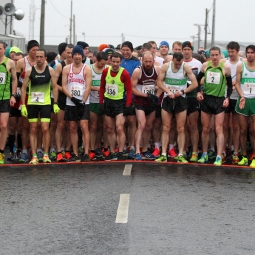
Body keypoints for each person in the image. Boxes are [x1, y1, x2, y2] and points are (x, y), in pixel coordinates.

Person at [156, 52, 198, 163]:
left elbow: (195, 83)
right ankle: (164, 153)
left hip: (181, 99)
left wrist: (183, 91)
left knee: (180, 128)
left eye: (180, 64)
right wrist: (167, 91)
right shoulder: (166, 66)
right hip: (168, 99)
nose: (178, 66)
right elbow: (159, 82)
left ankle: (180, 154)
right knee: (166, 127)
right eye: (176, 64)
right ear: (173, 60)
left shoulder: (186, 67)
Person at [20, 48, 60, 164]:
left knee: (45, 128)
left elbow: (55, 87)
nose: (38, 59)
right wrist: (23, 105)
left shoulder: (50, 70)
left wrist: (56, 103)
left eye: (41, 57)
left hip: (45, 103)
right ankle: (34, 155)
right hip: (32, 103)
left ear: (45, 58)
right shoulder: (29, 71)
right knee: (33, 129)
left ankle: (45, 154)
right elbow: (23, 88)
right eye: (37, 57)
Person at [197, 46, 232, 166]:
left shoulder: (225, 67)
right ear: (209, 56)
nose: (215, 57)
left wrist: (227, 98)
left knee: (218, 129)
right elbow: (197, 80)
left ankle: (218, 155)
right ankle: (205, 153)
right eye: (212, 55)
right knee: (206, 128)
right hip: (207, 99)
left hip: (219, 100)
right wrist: (198, 92)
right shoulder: (205, 66)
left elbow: (230, 85)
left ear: (220, 55)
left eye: (217, 55)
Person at [99, 52, 132, 160]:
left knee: (119, 128)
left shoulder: (125, 74)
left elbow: (129, 90)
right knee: (109, 129)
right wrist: (101, 102)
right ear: (110, 61)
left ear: (121, 62)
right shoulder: (105, 71)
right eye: (113, 61)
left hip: (120, 103)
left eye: (117, 62)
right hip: (108, 102)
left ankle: (121, 151)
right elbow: (102, 87)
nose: (115, 64)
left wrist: (128, 105)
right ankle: (112, 151)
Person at [62, 45, 92, 162]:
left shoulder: (87, 69)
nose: (77, 57)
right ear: (72, 56)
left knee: (84, 127)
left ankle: (86, 152)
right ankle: (75, 152)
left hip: (83, 102)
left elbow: (88, 86)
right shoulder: (66, 69)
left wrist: (83, 101)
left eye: (79, 54)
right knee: (72, 127)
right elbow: (64, 86)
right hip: (71, 102)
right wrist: (72, 98)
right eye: (75, 54)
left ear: (83, 56)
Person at [132, 52, 161, 160]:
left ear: (153, 61)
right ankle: (137, 151)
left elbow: (161, 85)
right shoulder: (138, 71)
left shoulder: (157, 70)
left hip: (151, 102)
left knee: (149, 127)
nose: (148, 64)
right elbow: (132, 89)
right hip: (140, 101)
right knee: (142, 125)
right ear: (142, 61)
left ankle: (145, 149)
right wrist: (146, 95)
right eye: (146, 61)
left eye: (150, 61)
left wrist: (156, 97)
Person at [16, 40, 40, 163]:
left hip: (39, 96)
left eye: (37, 49)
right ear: (29, 50)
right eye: (33, 50)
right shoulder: (21, 62)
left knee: (39, 125)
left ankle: (38, 149)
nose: (36, 52)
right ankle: (24, 150)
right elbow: (15, 80)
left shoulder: (41, 61)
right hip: (26, 96)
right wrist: (28, 83)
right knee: (25, 125)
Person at [221, 41, 243, 164]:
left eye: (233, 52)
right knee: (224, 126)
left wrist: (237, 85)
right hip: (225, 96)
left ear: (238, 51)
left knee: (236, 126)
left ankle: (235, 151)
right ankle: (223, 150)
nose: (230, 54)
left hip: (237, 97)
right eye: (229, 52)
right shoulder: (224, 63)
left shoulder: (242, 63)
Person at [235, 45, 255, 167]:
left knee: (253, 130)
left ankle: (254, 156)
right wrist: (242, 95)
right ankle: (244, 155)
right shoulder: (240, 66)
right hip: (244, 100)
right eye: (248, 52)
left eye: (252, 52)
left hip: (254, 100)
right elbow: (237, 83)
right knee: (243, 130)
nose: (250, 55)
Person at [182, 41, 202, 162]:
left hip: (193, 97)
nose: (186, 51)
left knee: (193, 125)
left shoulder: (198, 63)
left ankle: (194, 151)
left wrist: (200, 91)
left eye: (188, 49)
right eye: (184, 49)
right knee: (183, 126)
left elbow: (201, 79)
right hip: (182, 97)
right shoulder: (178, 62)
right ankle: (184, 149)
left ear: (191, 50)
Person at [54, 44, 74, 162]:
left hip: (73, 99)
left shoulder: (78, 66)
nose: (70, 55)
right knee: (60, 125)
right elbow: (55, 84)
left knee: (71, 126)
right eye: (68, 52)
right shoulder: (60, 66)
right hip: (63, 98)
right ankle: (58, 151)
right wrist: (66, 92)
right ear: (64, 53)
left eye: (72, 52)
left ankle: (67, 150)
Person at [120, 41, 140, 158]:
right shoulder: (118, 61)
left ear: (131, 51)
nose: (125, 52)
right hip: (118, 97)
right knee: (121, 123)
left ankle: (132, 146)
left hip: (132, 96)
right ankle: (122, 146)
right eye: (124, 50)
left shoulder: (137, 62)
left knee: (132, 122)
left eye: (128, 50)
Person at [0, 41, 17, 164]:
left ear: (4, 50)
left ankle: (1, 152)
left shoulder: (9, 63)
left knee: (4, 125)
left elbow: (14, 80)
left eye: (0, 48)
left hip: (5, 98)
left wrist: (13, 95)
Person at [89, 51, 108, 160]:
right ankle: (93, 148)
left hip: (105, 102)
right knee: (93, 126)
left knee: (104, 126)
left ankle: (104, 148)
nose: (103, 66)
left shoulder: (108, 69)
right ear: (96, 60)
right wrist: (98, 89)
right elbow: (87, 85)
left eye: (105, 63)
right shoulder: (89, 69)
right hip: (93, 101)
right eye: (101, 63)